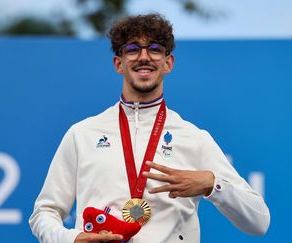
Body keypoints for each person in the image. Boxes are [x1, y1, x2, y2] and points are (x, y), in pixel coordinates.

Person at [29, 13, 270, 243]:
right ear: (118, 63)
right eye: (132, 49)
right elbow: (44, 213)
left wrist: (211, 184)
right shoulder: (82, 134)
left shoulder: (195, 138)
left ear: (168, 63)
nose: (144, 57)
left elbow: (259, 221)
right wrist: (71, 238)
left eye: (154, 48)